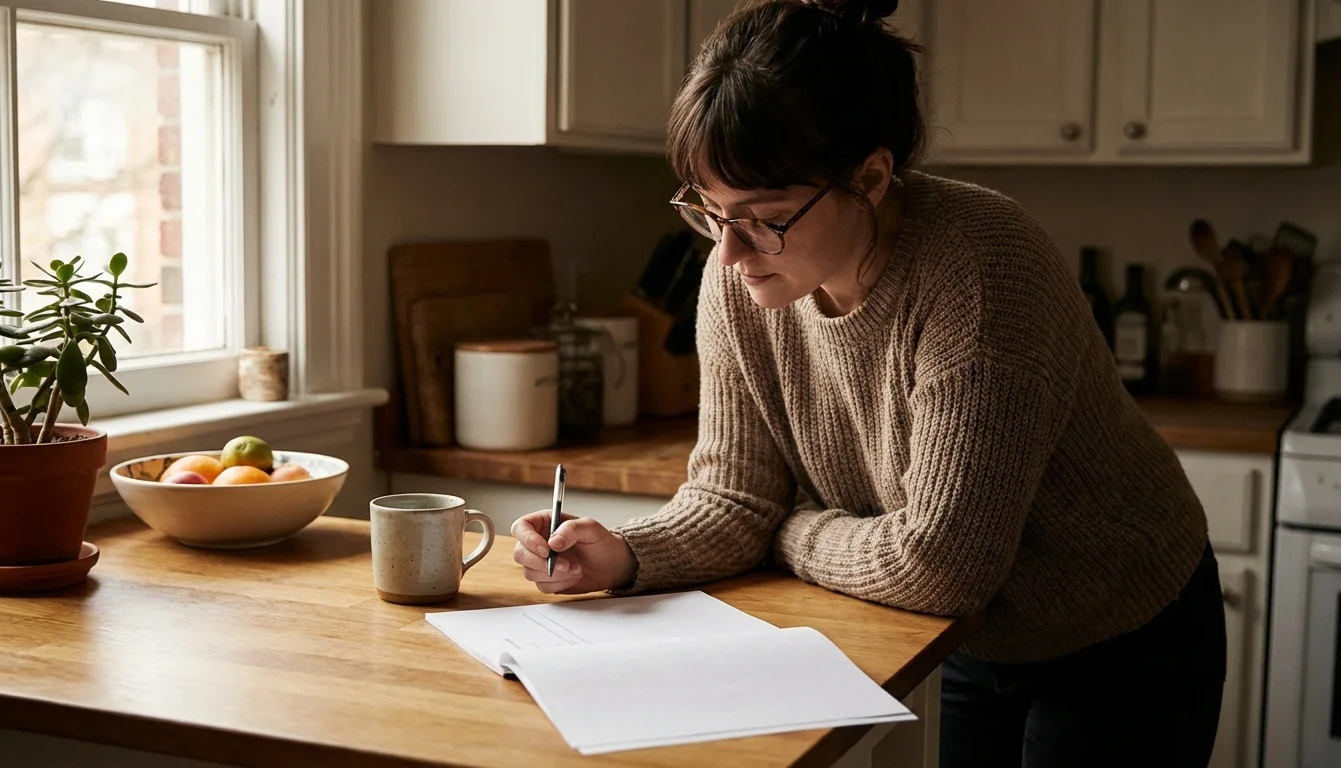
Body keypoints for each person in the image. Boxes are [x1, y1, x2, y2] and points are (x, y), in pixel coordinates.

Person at [509, 0, 1225, 764]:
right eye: (710, 212)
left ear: (873, 177)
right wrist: (623, 554)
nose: (729, 252)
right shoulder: (743, 278)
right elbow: (735, 495)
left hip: (1122, 626)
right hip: (978, 635)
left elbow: (939, 564)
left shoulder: (980, 273)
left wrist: (786, 529)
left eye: (765, 216)